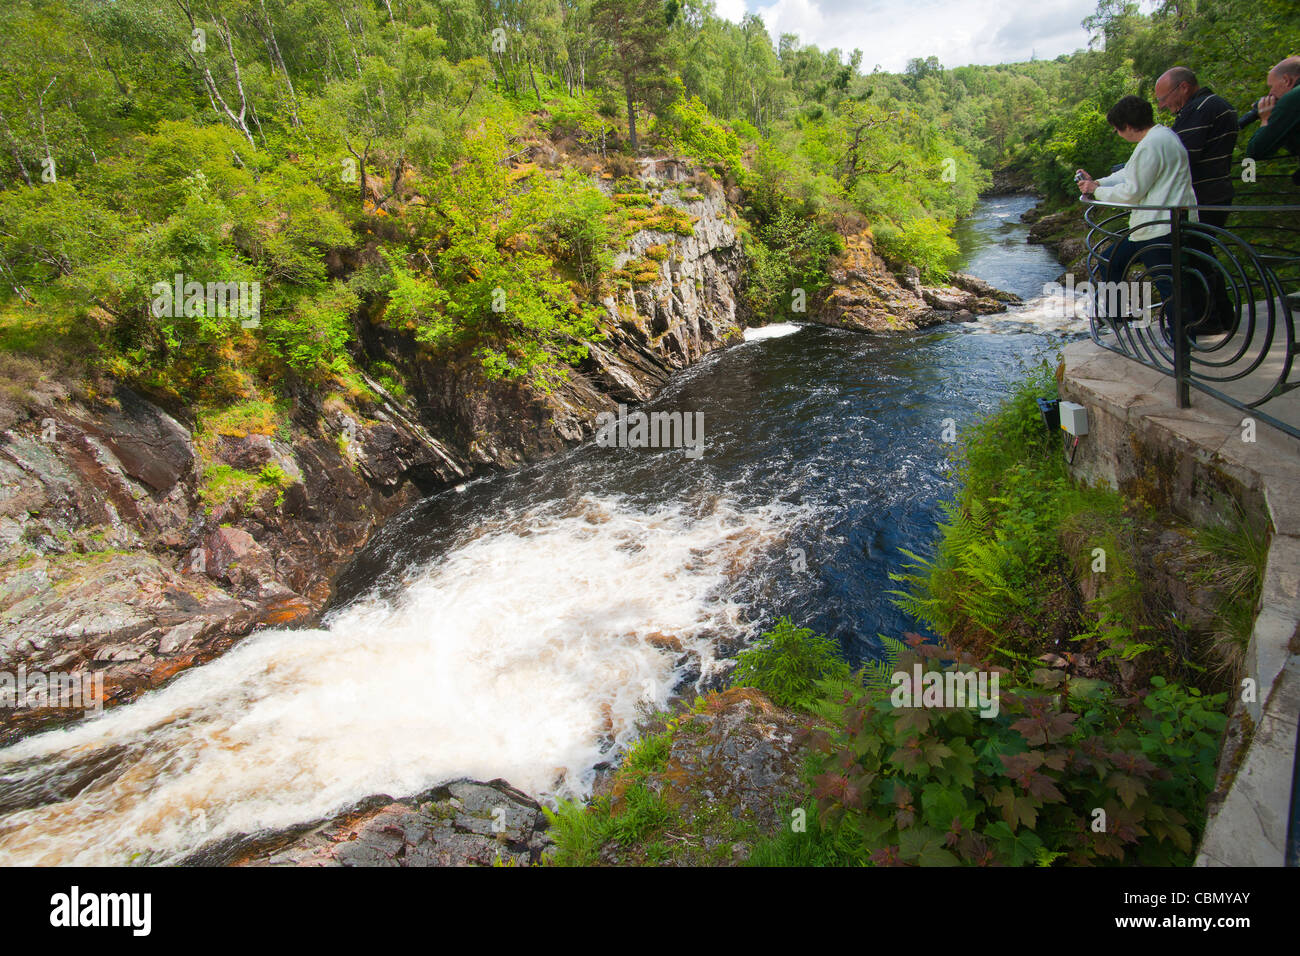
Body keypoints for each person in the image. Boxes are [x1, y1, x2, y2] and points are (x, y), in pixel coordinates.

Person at [1077, 96, 1199, 331]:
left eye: (1117, 130)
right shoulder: (1162, 137)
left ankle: (1182, 345)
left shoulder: (1151, 145)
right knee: (1111, 260)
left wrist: (1097, 191)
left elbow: (1131, 192)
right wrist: (1098, 182)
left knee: (1169, 287)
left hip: (1160, 227)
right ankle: (1117, 317)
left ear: (1128, 126)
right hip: (1161, 224)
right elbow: (1130, 173)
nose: (1118, 134)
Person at [1154, 67, 1238, 333]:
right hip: (1214, 194)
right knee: (1202, 257)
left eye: (1164, 97)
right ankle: (1223, 316)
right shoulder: (1213, 105)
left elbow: (1181, 156)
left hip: (1202, 197)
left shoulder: (1201, 109)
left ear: (1184, 88)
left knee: (1190, 260)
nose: (1163, 104)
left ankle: (1206, 322)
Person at [1245, 56, 1300, 161]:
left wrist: (1266, 118)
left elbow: (1256, 151)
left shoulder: (1293, 98)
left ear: (1286, 80)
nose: (1270, 94)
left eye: (1271, 87)